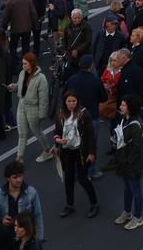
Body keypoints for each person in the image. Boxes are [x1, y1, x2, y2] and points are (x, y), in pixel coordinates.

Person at [50, 90, 98, 218]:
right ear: (65, 102)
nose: (71, 104)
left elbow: (90, 136)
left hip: (81, 151)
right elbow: (57, 131)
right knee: (69, 178)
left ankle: (94, 203)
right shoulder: (60, 115)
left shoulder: (83, 115)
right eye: (69, 101)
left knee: (83, 179)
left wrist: (92, 153)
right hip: (66, 151)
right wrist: (57, 140)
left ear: (77, 102)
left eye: (74, 101)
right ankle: (69, 205)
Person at [108, 94, 143, 229]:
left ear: (130, 108)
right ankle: (127, 212)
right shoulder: (124, 119)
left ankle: (138, 217)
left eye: (123, 105)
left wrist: (127, 161)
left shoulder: (135, 125)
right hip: (123, 162)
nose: (120, 106)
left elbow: (137, 147)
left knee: (136, 190)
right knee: (127, 188)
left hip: (132, 164)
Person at [0, 161, 42, 247]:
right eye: (15, 177)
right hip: (4, 239)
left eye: (20, 176)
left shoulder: (32, 193)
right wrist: (1, 221)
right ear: (8, 178)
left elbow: (38, 216)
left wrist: (39, 239)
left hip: (24, 238)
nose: (19, 180)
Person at [11, 52, 50, 161]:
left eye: (25, 64)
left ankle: (47, 151)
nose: (23, 66)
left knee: (37, 132)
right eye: (22, 64)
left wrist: (42, 114)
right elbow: (20, 86)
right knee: (22, 134)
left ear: (32, 64)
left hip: (33, 108)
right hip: (21, 105)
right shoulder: (22, 73)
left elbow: (44, 98)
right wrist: (13, 87)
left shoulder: (41, 78)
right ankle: (19, 157)